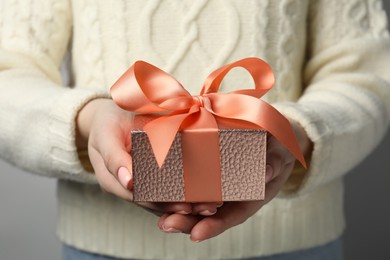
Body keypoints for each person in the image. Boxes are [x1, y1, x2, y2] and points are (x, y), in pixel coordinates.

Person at [0, 0, 389, 259]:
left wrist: (296, 133)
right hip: (102, 249)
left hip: (298, 245)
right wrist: (88, 118)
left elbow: (368, 75)